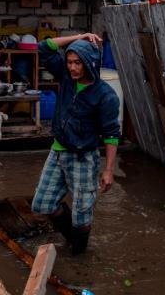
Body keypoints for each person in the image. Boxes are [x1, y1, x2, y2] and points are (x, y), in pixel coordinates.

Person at [31, 33, 120, 255]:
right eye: (69, 62)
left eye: (77, 62)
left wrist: (108, 170)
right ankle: (73, 239)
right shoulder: (65, 77)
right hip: (58, 151)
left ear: (89, 62)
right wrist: (80, 36)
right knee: (42, 204)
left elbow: (111, 134)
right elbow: (44, 47)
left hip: (83, 157)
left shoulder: (105, 95)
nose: (72, 68)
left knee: (82, 215)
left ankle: (79, 253)